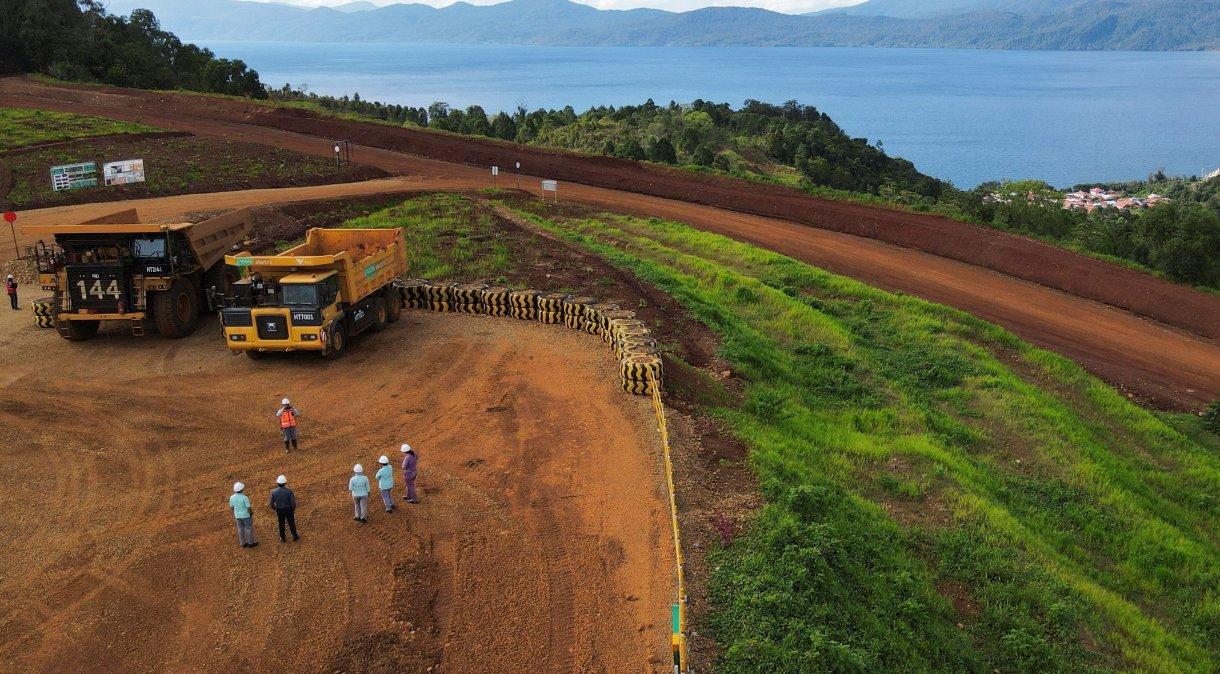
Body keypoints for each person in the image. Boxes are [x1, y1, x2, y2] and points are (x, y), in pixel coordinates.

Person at [268, 474, 299, 543]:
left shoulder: (273, 492)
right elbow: (293, 503)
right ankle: (294, 536)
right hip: (289, 509)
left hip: (280, 510)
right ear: (285, 483)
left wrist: (275, 508)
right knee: (291, 523)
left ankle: (282, 538)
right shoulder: (289, 491)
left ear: (277, 483)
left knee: (281, 524)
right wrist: (292, 509)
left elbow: (271, 504)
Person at [230, 482, 258, 548]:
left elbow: (231, 507)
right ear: (242, 489)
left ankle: (242, 543)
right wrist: (251, 513)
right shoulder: (244, 497)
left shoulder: (232, 497)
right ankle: (251, 543)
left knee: (240, 529)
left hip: (237, 516)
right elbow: (248, 508)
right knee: (249, 528)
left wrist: (235, 512)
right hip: (246, 516)